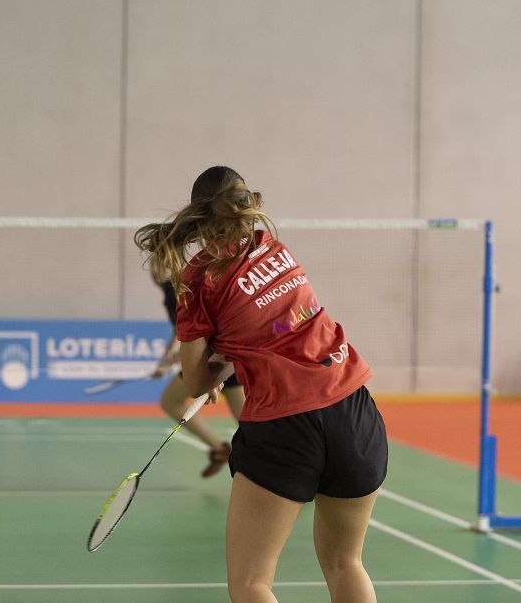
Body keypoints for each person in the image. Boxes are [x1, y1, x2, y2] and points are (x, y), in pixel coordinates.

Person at [135, 166, 387, 603]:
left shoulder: (198, 278)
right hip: (354, 410)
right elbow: (277, 328)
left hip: (286, 425)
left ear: (197, 215)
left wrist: (213, 369)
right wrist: (231, 357)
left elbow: (194, 381)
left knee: (252, 583)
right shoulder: (277, 249)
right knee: (346, 563)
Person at [151, 278, 245, 477]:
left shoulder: (174, 289)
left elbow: (192, 335)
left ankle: (220, 450)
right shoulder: (183, 283)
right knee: (249, 424)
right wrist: (167, 359)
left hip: (211, 357)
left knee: (170, 401)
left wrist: (169, 363)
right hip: (225, 351)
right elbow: (180, 330)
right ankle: (288, 461)